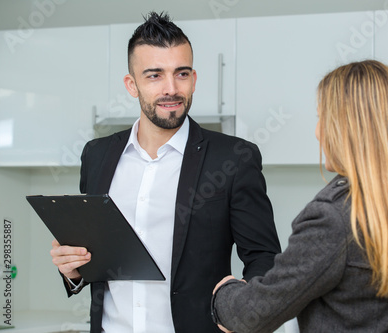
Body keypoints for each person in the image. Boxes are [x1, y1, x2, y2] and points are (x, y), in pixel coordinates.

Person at [49, 11, 281, 333]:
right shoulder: (97, 155)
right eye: (154, 75)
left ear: (194, 79)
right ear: (132, 85)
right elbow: (95, 258)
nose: (171, 89)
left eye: (181, 74)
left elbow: (264, 257)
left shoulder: (235, 158)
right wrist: (72, 271)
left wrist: (245, 309)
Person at [211, 60, 388, 333]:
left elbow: (253, 315)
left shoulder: (334, 218)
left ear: (348, 129)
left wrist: (224, 293)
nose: (317, 131)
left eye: (322, 117)